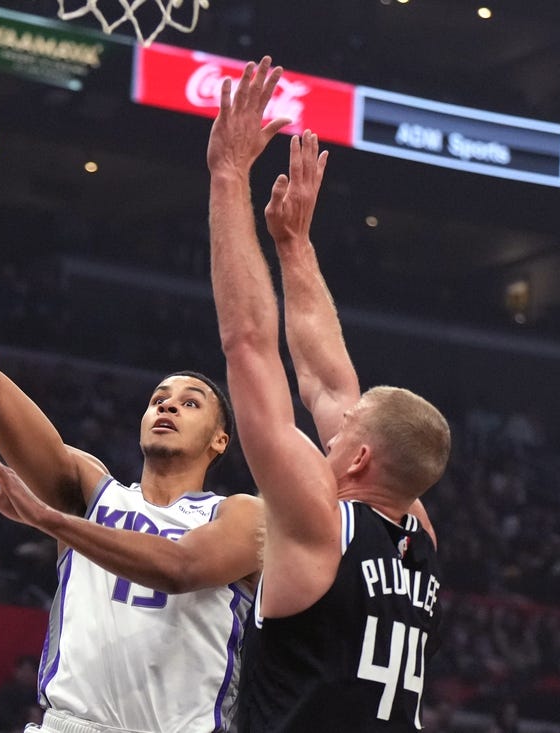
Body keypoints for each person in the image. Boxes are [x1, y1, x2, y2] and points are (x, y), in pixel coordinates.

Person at [0, 146, 262, 732]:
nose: (167, 405)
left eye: (190, 401)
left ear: (220, 441)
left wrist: (48, 521)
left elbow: (179, 568)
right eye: (158, 398)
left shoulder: (242, 516)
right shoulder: (90, 491)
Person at [206, 57, 451, 731]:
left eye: (344, 433)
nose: (330, 430)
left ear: (362, 457)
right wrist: (293, 245)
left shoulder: (320, 520)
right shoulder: (419, 532)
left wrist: (228, 176)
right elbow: (328, 380)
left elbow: (249, 346)